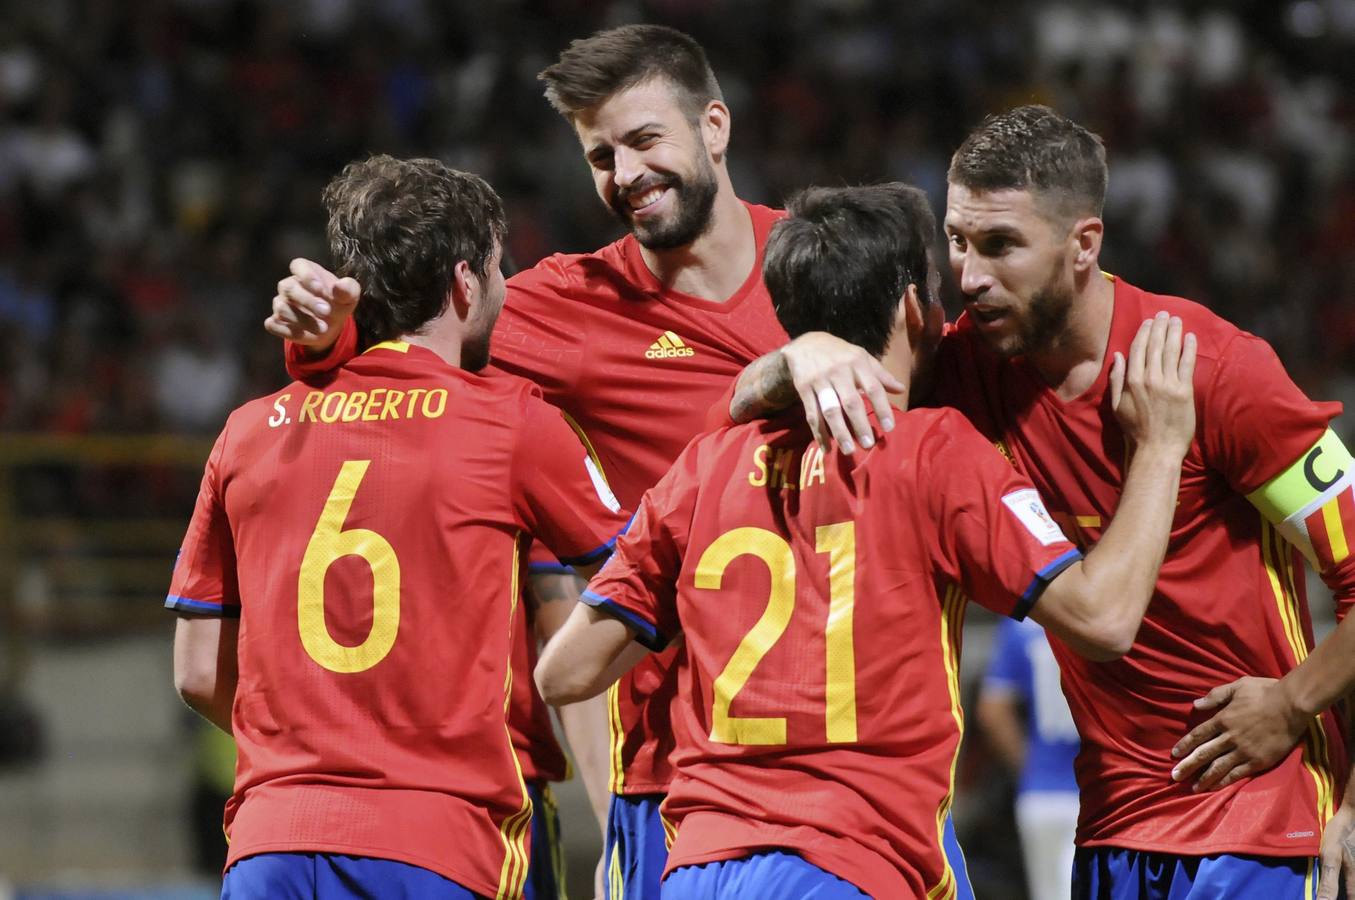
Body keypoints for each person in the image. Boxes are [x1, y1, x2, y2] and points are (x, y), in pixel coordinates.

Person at [263, 24, 956, 900]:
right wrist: (323, 346)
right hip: (681, 785)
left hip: (877, 772)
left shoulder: (835, 267)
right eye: (599, 155)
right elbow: (397, 370)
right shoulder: (563, 305)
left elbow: (987, 394)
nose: (622, 175)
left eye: (642, 141)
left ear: (715, 126)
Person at [725, 105, 1355, 898]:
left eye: (999, 245)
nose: (969, 276)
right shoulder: (964, 372)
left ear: (1082, 245)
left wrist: (1297, 703)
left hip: (1258, 820)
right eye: (956, 241)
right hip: (1108, 827)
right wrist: (801, 355)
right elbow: (741, 411)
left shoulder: (1209, 370)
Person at [534, 182, 1198, 898]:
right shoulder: (930, 450)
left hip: (699, 869)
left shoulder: (702, 467)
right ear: (915, 308)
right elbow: (1102, 619)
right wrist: (1160, 449)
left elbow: (562, 676)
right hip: (850, 862)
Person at [167, 155, 632, 899]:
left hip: (270, 843)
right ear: (465, 283)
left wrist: (307, 752)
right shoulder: (510, 422)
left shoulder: (248, 430)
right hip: (435, 840)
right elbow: (641, 578)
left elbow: (195, 671)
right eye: (499, 267)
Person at [977, 617, 1081, 900]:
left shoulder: (1022, 626)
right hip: (1108, 788)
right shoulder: (1115, 616)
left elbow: (992, 709)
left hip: (1043, 791)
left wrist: (1030, 768)